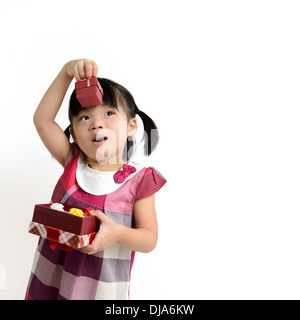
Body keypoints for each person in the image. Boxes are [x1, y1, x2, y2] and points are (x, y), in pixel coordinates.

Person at [25, 59, 166, 300]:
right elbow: (43, 121)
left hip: (99, 290)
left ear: (132, 125)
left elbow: (149, 239)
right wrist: (66, 73)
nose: (96, 124)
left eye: (109, 113)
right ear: (73, 135)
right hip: (50, 282)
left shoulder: (140, 181)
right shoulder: (72, 161)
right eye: (84, 118)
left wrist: (117, 234)